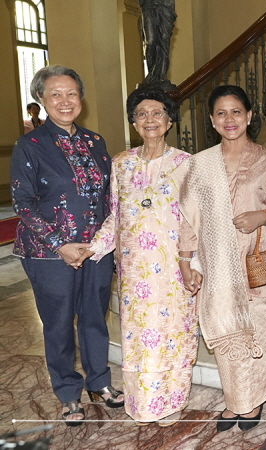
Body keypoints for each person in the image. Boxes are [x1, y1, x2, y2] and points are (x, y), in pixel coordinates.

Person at [172, 85, 266, 432]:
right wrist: (184, 260)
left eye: (236, 112)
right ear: (212, 120)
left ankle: (252, 401)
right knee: (229, 330)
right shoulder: (200, 165)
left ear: (249, 117)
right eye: (222, 113)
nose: (230, 119)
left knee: (258, 329)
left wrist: (262, 216)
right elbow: (188, 217)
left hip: (259, 258)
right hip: (219, 264)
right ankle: (234, 402)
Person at [10, 65, 123, 426]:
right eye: (55, 94)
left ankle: (99, 382)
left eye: (71, 93)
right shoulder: (30, 145)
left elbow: (110, 196)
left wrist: (104, 241)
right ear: (41, 99)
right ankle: (67, 393)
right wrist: (61, 244)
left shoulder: (95, 141)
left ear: (81, 98)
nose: (64, 101)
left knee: (95, 317)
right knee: (58, 324)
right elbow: (22, 202)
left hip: (95, 250)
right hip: (48, 253)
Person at [84, 88, 197, 426]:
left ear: (170, 121)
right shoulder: (121, 163)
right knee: (140, 337)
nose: (150, 119)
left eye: (157, 113)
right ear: (134, 122)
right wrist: (93, 249)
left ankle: (172, 401)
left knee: (174, 334)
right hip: (134, 270)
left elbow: (196, 220)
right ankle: (145, 404)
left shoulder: (186, 164)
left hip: (174, 267)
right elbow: (114, 217)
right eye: (142, 114)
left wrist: (194, 263)